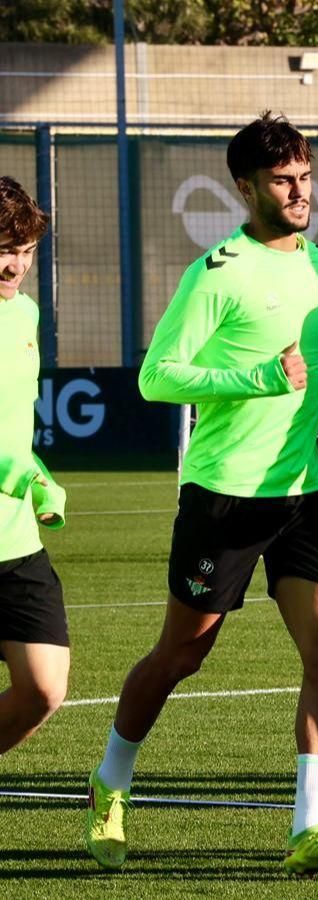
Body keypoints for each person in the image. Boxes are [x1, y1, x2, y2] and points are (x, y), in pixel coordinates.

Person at [86, 113, 318, 875]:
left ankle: (312, 827)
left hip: (302, 491)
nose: (300, 191)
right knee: (183, 653)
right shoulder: (216, 271)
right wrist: (254, 381)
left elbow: (303, 364)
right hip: (225, 497)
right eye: (283, 180)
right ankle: (111, 781)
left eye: (306, 176)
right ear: (245, 188)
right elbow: (157, 377)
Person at [0, 175, 70, 758]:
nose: (15, 267)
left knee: (44, 687)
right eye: (4, 250)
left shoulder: (26, 315)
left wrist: (40, 477)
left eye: (25, 253)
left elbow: (16, 429)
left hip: (16, 540)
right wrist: (15, 471)